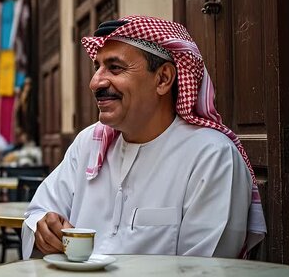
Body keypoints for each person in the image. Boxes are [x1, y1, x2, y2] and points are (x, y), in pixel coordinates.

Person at [22, 16, 266, 259]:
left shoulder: (211, 157)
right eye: (98, 67)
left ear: (163, 79)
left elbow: (204, 268)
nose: (95, 82)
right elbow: (37, 213)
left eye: (115, 68)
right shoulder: (89, 142)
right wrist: (43, 228)